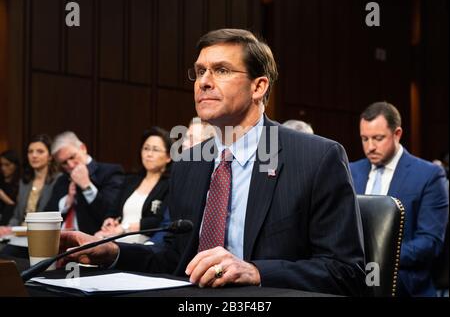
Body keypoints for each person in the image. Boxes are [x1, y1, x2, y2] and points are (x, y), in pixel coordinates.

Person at [59, 29, 366, 296]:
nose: (203, 82)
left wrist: (256, 272)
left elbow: (346, 273)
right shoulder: (189, 163)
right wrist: (113, 252)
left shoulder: (316, 158)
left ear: (258, 87)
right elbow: (175, 259)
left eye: (221, 70)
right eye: (199, 71)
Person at [349, 101, 449, 297]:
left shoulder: (428, 175)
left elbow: (431, 242)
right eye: (364, 139)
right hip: (355, 283)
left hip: (406, 284)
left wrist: (379, 258)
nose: (370, 147)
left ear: (397, 134)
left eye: (378, 138)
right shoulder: (351, 171)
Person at [95, 127, 173, 244]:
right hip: (118, 240)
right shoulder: (130, 180)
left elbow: (159, 221)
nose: (149, 154)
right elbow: (114, 209)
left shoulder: (169, 184)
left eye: (155, 150)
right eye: (146, 148)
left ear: (168, 157)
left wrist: (125, 227)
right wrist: (110, 220)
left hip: (147, 244)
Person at [45, 131, 124, 235]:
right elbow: (47, 217)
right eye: (64, 163)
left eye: (72, 157)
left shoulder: (110, 172)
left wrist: (87, 186)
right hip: (58, 240)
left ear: (83, 148)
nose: (71, 165)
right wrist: (67, 202)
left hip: (91, 241)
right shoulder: (62, 180)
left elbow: (109, 215)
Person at [0, 135, 60, 235]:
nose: (34, 155)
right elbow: (17, 216)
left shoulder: (58, 180)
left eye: (40, 151)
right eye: (30, 151)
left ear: (50, 156)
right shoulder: (24, 182)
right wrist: (7, 229)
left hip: (43, 234)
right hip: (19, 233)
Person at [0, 150, 20, 225]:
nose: (3, 168)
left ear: (15, 165)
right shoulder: (1, 181)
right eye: (1, 165)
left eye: (7, 165)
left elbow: (18, 210)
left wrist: (3, 196)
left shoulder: (21, 184)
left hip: (10, 223)